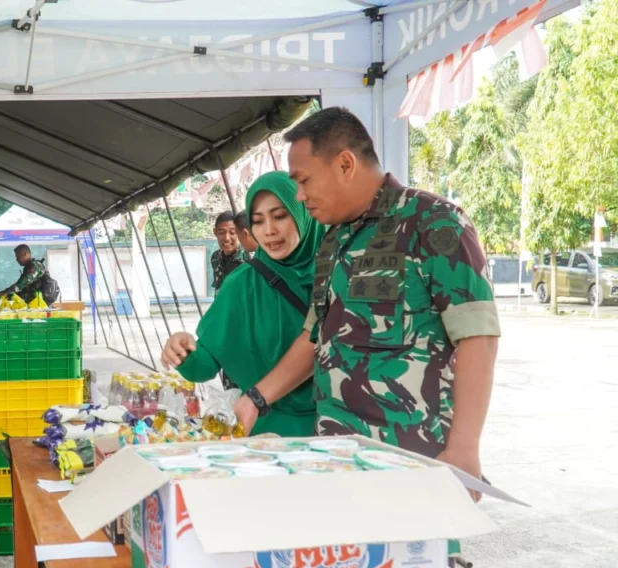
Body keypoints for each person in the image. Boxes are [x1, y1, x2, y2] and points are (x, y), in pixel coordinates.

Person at [233, 106, 500, 483]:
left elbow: (478, 338)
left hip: (411, 458)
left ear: (345, 164)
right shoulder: (333, 240)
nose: (300, 195)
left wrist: (464, 448)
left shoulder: (431, 223)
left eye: (304, 180)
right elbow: (315, 338)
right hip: (334, 457)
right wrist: (256, 398)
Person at [163, 172, 322, 437]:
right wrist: (182, 348)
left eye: (280, 216)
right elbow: (202, 366)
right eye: (258, 221)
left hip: (339, 433)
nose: (269, 230)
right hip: (267, 437)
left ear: (304, 213)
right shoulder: (243, 284)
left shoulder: (339, 275)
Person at [210, 210, 246, 293]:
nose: (226, 238)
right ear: (215, 232)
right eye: (221, 232)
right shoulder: (215, 257)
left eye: (232, 232)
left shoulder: (249, 258)